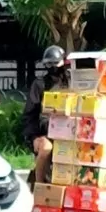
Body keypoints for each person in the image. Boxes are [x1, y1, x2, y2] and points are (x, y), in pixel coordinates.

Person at [21, 45, 68, 186]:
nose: (53, 67)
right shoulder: (39, 85)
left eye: (56, 63)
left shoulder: (71, 83)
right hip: (45, 132)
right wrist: (33, 137)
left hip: (71, 132)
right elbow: (30, 114)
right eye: (49, 64)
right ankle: (39, 186)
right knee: (46, 148)